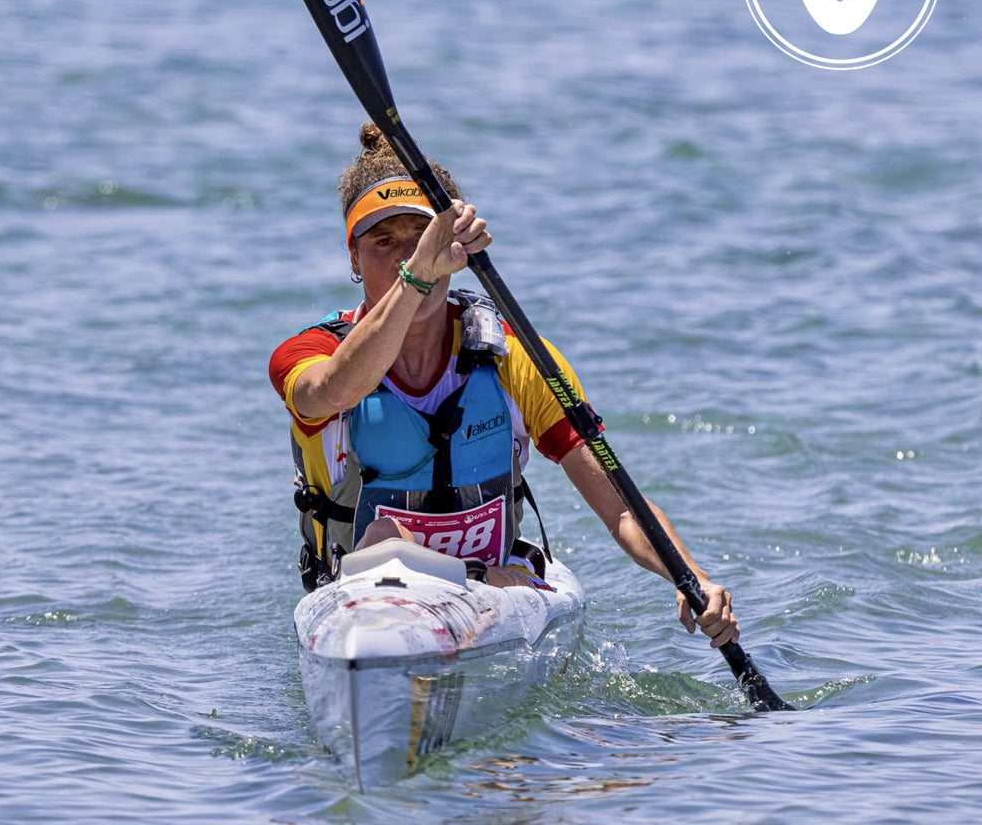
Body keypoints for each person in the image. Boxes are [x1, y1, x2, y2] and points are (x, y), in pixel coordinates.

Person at [269, 123, 739, 647]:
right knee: (382, 542)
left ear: (456, 247)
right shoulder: (308, 354)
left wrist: (689, 576)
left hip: (497, 598)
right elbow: (333, 392)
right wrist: (419, 273)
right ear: (353, 258)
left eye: (422, 239)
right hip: (362, 607)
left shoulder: (515, 356)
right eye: (383, 242)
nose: (405, 255)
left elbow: (622, 508)